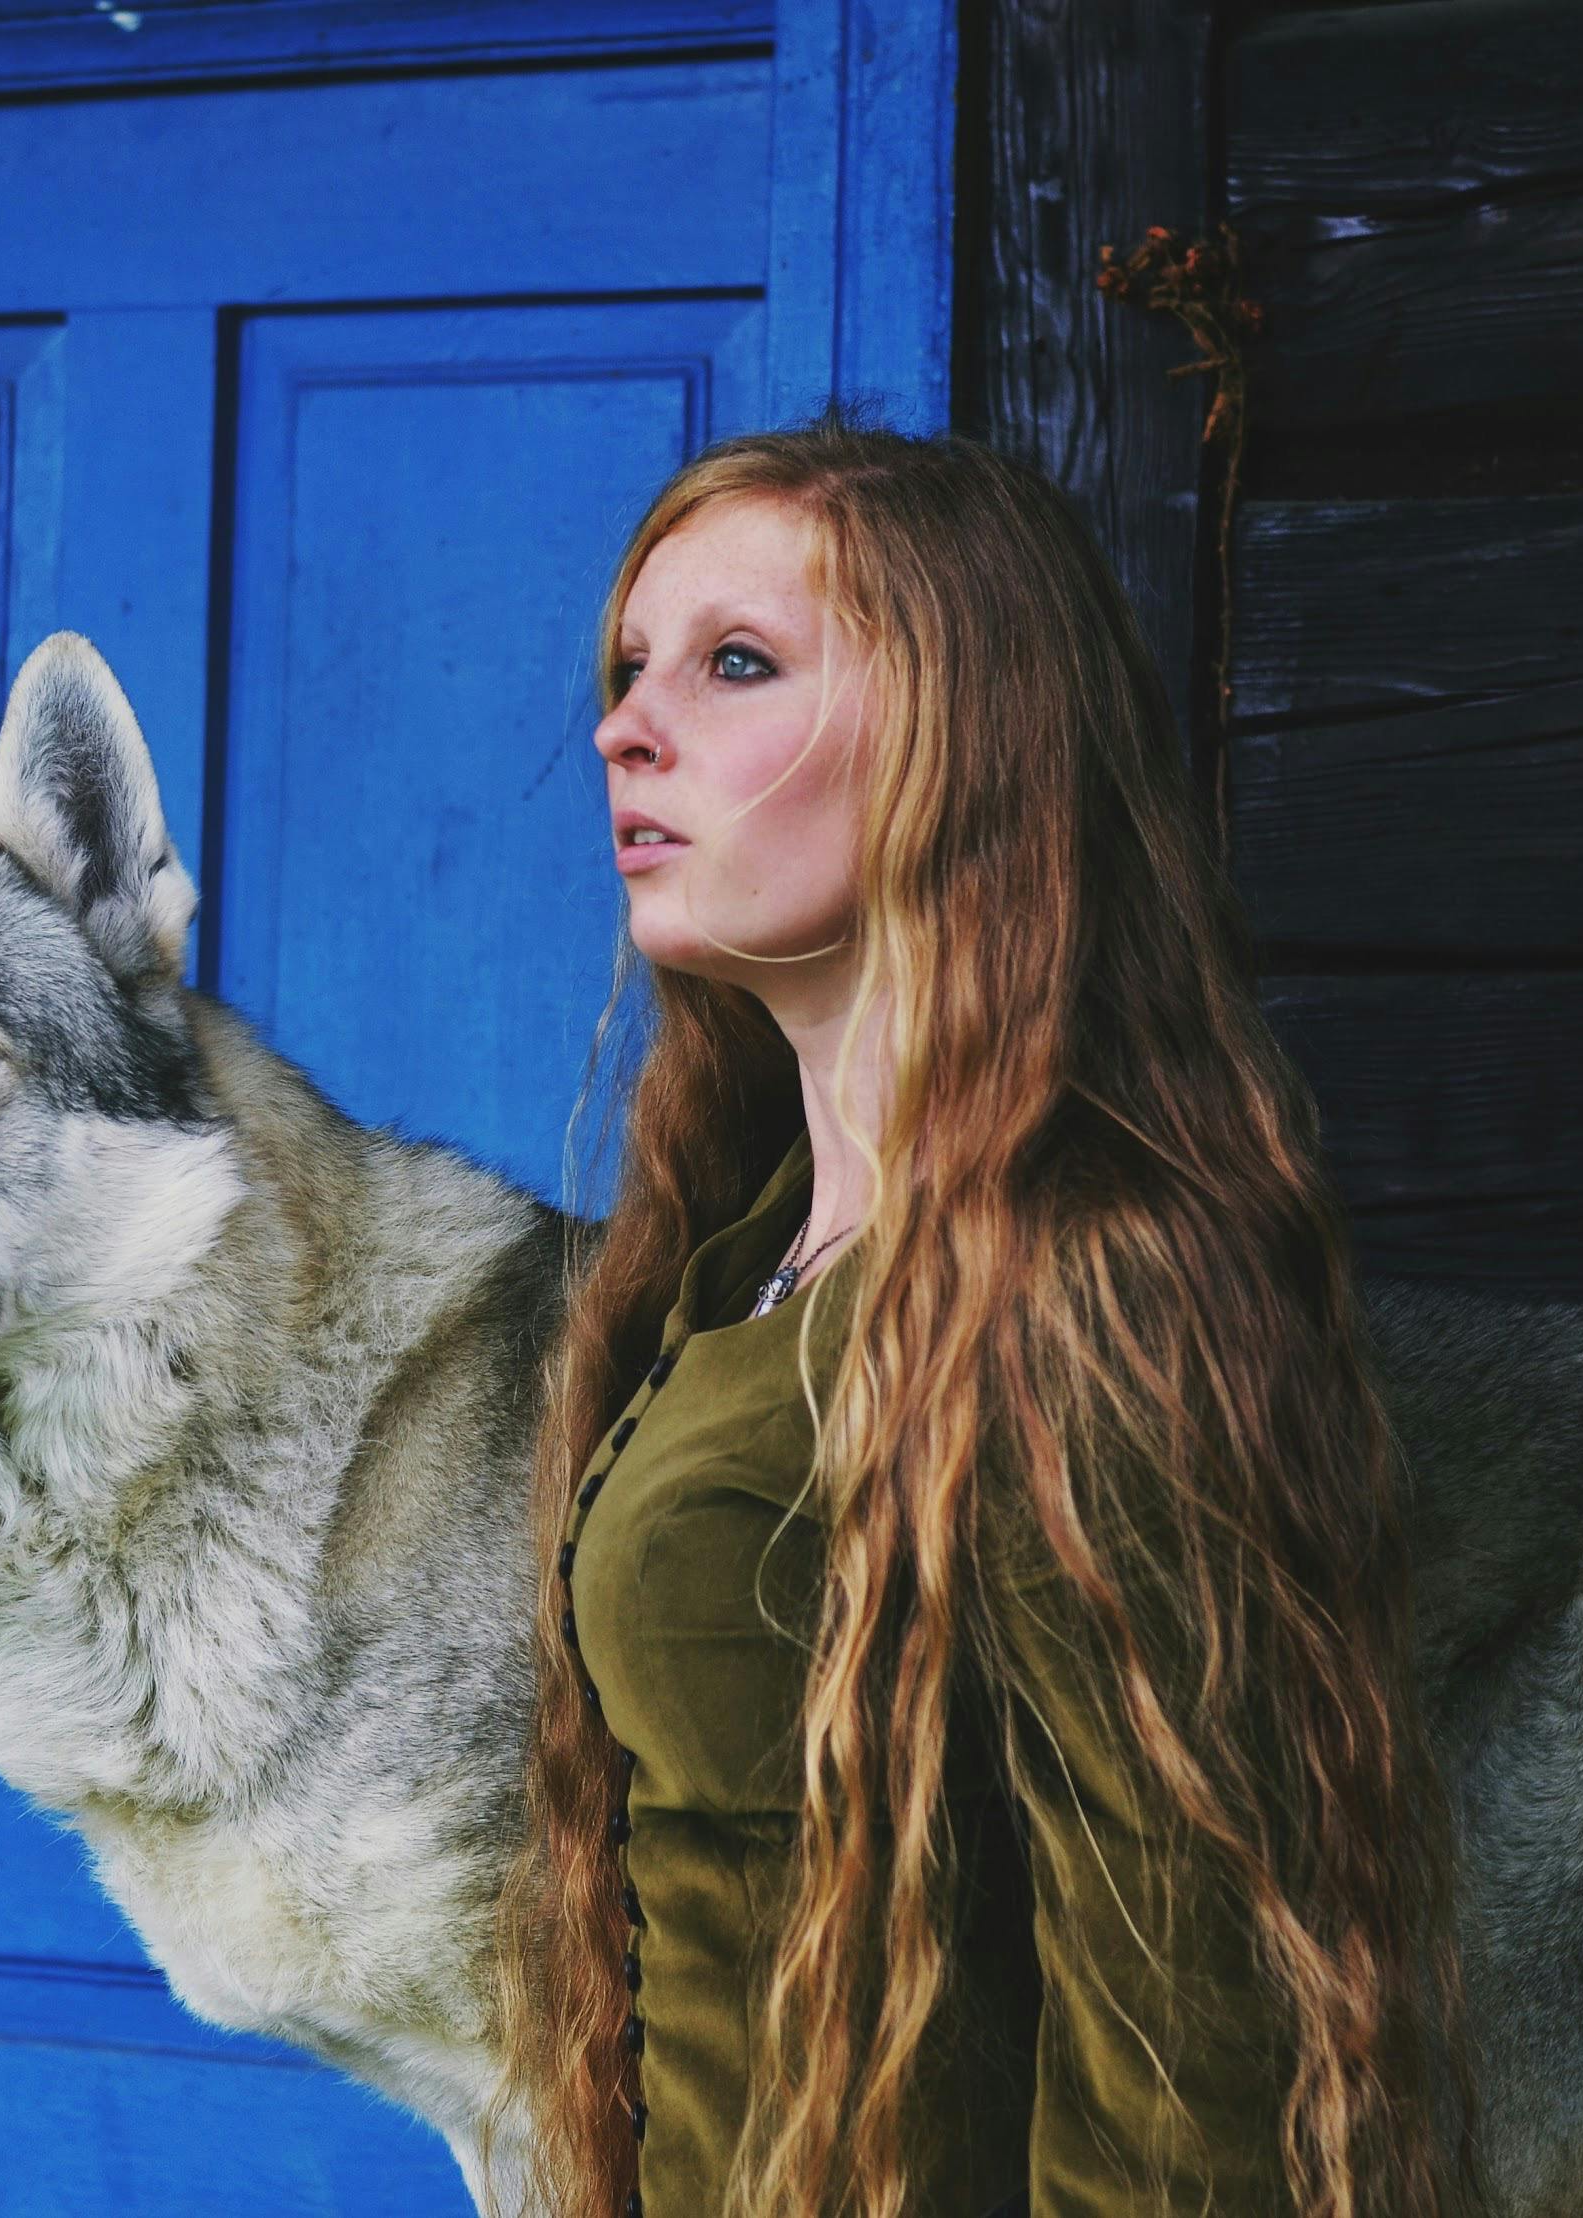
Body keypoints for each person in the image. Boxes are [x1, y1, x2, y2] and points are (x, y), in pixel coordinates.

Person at [487, 409, 1475, 2218]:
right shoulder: (742, 1257)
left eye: (735, 662)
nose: (626, 725)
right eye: (632, 667)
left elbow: (1191, 2081)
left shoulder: (1081, 1295)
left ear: (969, 735)